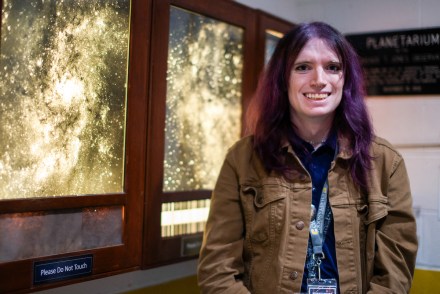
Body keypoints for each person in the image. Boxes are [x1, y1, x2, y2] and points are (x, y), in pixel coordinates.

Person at [197, 22, 418, 294]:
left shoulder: (386, 163)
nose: (319, 80)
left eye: (332, 67)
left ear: (345, 79)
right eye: (303, 67)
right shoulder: (241, 159)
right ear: (282, 78)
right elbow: (217, 270)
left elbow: (394, 277)